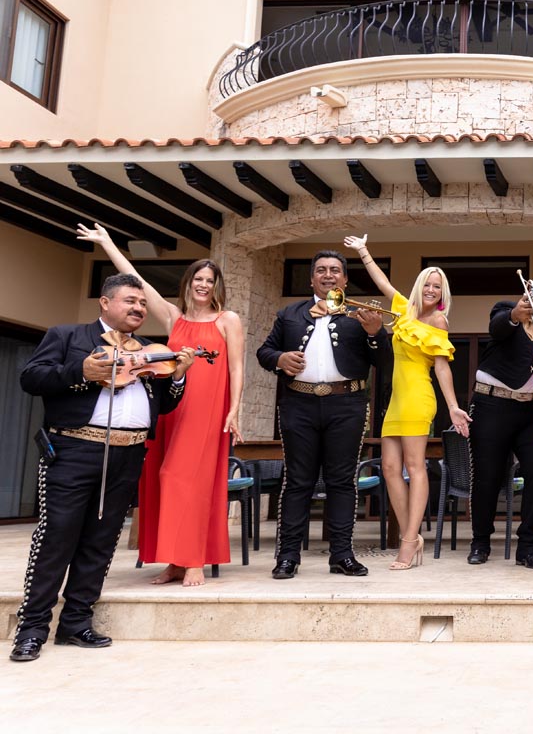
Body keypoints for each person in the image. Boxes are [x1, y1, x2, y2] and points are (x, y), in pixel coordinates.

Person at [11, 274, 193, 662]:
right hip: (74, 448)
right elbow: (32, 377)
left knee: (101, 540)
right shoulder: (68, 336)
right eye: (130, 301)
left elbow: (164, 405)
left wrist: (177, 376)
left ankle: (76, 623)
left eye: (142, 304)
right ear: (105, 303)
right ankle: (32, 629)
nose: (138, 309)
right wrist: (82, 372)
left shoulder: (149, 350)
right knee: (56, 537)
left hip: (128, 454)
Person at [77, 223, 244, 588]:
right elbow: (135, 280)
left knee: (188, 480)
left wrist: (234, 410)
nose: (203, 285)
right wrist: (107, 243)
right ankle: (173, 560)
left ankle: (194, 558)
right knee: (161, 479)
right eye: (197, 278)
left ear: (217, 286)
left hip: (208, 411)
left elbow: (237, 367)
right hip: (170, 410)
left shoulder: (227, 320)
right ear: (188, 283)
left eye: (209, 280)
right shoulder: (173, 317)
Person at [257, 250, 391, 579]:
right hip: (298, 405)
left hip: (347, 404)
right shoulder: (289, 313)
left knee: (342, 482)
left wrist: (375, 334)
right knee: (297, 482)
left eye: (335, 270)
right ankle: (288, 556)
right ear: (312, 278)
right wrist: (279, 359)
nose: (328, 275)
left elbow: (385, 363)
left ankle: (342, 555)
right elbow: (264, 351)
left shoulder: (361, 315)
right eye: (321, 270)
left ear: (345, 279)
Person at [345, 235, 471, 571]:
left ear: (443, 293)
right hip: (395, 401)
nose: (431, 290)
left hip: (418, 397)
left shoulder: (438, 322)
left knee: (415, 469)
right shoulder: (403, 308)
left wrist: (454, 405)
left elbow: (442, 366)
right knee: (389, 469)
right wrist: (363, 251)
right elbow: (382, 281)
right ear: (419, 286)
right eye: (428, 284)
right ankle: (412, 536)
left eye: (437, 286)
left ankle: (407, 540)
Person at [466, 275, 533, 569]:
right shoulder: (507, 309)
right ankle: (480, 542)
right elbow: (497, 327)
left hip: (532, 410)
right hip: (492, 403)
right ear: (531, 294)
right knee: (488, 476)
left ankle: (528, 547)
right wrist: (514, 315)